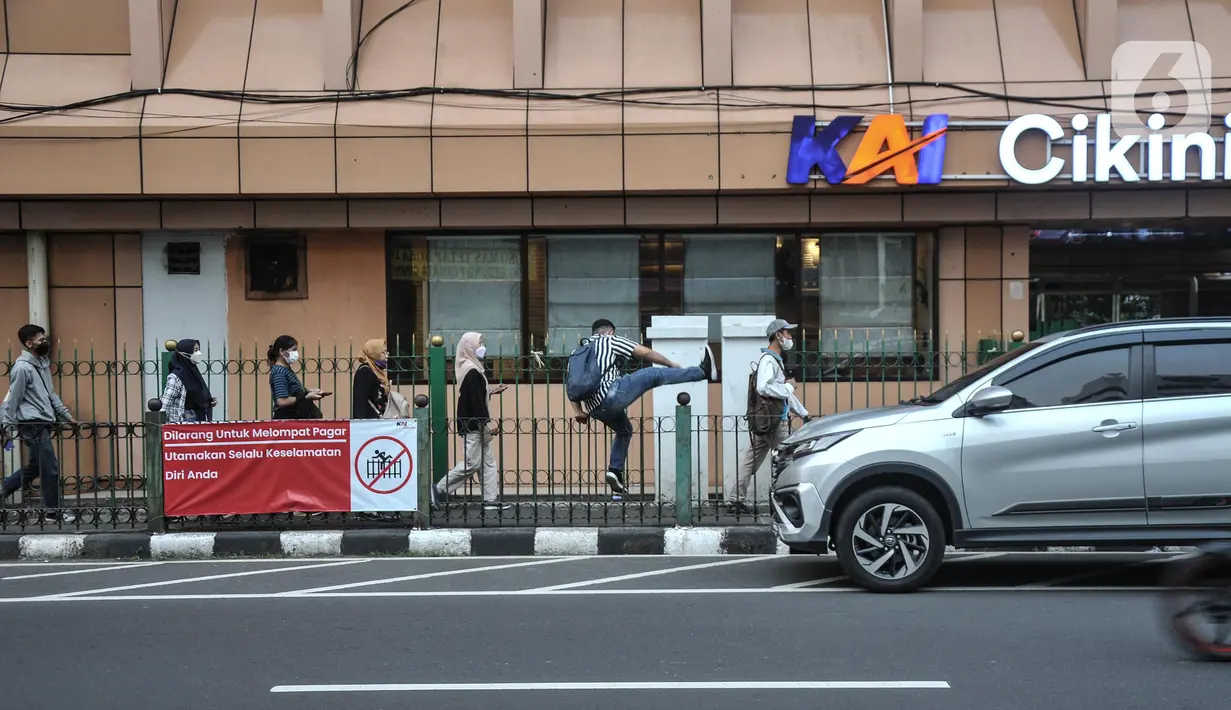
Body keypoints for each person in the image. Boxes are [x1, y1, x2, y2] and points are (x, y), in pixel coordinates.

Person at [572, 319, 716, 496]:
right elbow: (644, 353)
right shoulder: (610, 340)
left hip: (595, 408)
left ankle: (614, 471)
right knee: (652, 373)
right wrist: (670, 364)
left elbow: (571, 384)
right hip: (612, 394)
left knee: (624, 430)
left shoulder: (577, 352)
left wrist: (578, 411)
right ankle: (702, 372)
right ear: (610, 331)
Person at [731, 319, 810, 514]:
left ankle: (735, 500)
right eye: (787, 333)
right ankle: (785, 502)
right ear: (778, 335)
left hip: (767, 420)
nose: (790, 337)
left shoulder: (774, 360)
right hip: (775, 422)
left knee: (750, 461)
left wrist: (803, 413)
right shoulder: (768, 360)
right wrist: (789, 386)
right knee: (787, 460)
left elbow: (783, 395)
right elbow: (764, 387)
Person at [0, 324, 75, 521]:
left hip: (43, 422)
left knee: (35, 467)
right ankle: (53, 512)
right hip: (31, 424)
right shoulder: (22, 368)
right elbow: (12, 399)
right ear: (29, 343)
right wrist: (6, 428)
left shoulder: (42, 364)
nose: (45, 342)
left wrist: (66, 416)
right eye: (41, 340)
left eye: (45, 338)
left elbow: (51, 394)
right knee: (50, 467)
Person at [432, 332, 510, 511]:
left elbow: (474, 394)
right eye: (479, 343)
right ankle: (439, 489)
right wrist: (488, 425)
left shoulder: (471, 368)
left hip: (475, 422)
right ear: (469, 347)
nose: (482, 347)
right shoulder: (471, 370)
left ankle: (490, 500)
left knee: (488, 462)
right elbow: (474, 401)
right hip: (472, 424)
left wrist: (490, 391)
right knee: (472, 463)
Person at [267, 335, 328, 419]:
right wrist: (306, 397)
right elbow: (282, 401)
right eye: (293, 350)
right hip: (289, 419)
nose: (296, 353)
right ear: (282, 351)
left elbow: (292, 390)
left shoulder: (286, 369)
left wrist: (308, 391)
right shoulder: (279, 372)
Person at [161, 339, 217, 424]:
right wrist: (161, 425)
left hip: (197, 417)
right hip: (183, 420)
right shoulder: (176, 377)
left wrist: (208, 401)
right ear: (184, 353)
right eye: (195, 350)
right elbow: (165, 402)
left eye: (198, 350)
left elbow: (195, 396)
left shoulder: (193, 372)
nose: (198, 353)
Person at [352, 339, 390, 419]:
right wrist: (361, 424)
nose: (387, 356)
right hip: (370, 424)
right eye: (383, 352)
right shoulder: (364, 372)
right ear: (374, 353)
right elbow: (360, 402)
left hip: (378, 422)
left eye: (387, 352)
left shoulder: (377, 371)